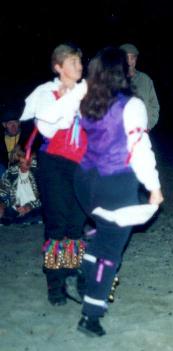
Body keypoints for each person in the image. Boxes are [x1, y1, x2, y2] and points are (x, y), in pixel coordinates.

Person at [73, 47, 163, 337]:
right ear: (121, 72)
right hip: (114, 183)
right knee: (110, 249)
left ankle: (86, 268)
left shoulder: (86, 101)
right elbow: (140, 149)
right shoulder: (131, 105)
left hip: (84, 180)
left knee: (101, 229)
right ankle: (91, 314)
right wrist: (154, 188)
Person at [20, 43, 88, 306]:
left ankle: (70, 275)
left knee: (76, 225)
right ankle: (55, 283)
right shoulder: (46, 92)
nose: (79, 67)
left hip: (83, 165)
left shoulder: (86, 93)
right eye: (73, 62)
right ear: (58, 67)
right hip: (55, 164)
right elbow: (47, 125)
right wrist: (73, 96)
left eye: (80, 62)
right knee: (57, 224)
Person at [119, 43, 160, 131]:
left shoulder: (146, 80)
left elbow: (154, 106)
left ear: (136, 59)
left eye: (132, 57)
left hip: (141, 133)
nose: (129, 62)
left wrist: (148, 125)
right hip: (118, 135)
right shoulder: (113, 80)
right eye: (126, 58)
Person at [0, 146, 42, 225]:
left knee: (41, 213)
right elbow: (2, 192)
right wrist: (2, 204)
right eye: (23, 161)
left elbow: (45, 196)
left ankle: (21, 220)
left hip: (35, 207)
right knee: (7, 213)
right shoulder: (11, 172)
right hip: (15, 209)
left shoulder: (37, 171)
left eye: (30, 159)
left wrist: (29, 206)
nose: (28, 162)